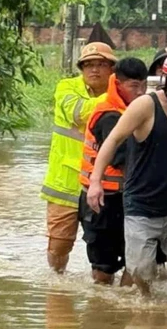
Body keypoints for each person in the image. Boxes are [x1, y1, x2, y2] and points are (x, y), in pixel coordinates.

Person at [86, 50, 167, 302]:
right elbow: (113, 140)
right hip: (140, 203)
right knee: (141, 270)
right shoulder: (144, 106)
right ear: (166, 79)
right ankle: (146, 306)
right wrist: (95, 182)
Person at [40, 42, 116, 273]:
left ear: (111, 68)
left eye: (101, 64)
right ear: (81, 69)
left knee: (104, 252)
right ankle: (57, 289)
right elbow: (80, 112)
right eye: (88, 65)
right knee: (59, 246)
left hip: (104, 186)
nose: (94, 70)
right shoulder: (66, 87)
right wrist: (118, 98)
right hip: (65, 186)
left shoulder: (121, 92)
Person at [78, 57, 148, 285]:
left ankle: (123, 311)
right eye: (133, 86)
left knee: (134, 261)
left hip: (126, 199)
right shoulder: (109, 115)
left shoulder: (135, 111)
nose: (140, 92)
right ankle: (104, 313)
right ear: (118, 84)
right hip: (103, 201)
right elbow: (125, 162)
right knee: (103, 269)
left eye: (143, 86)